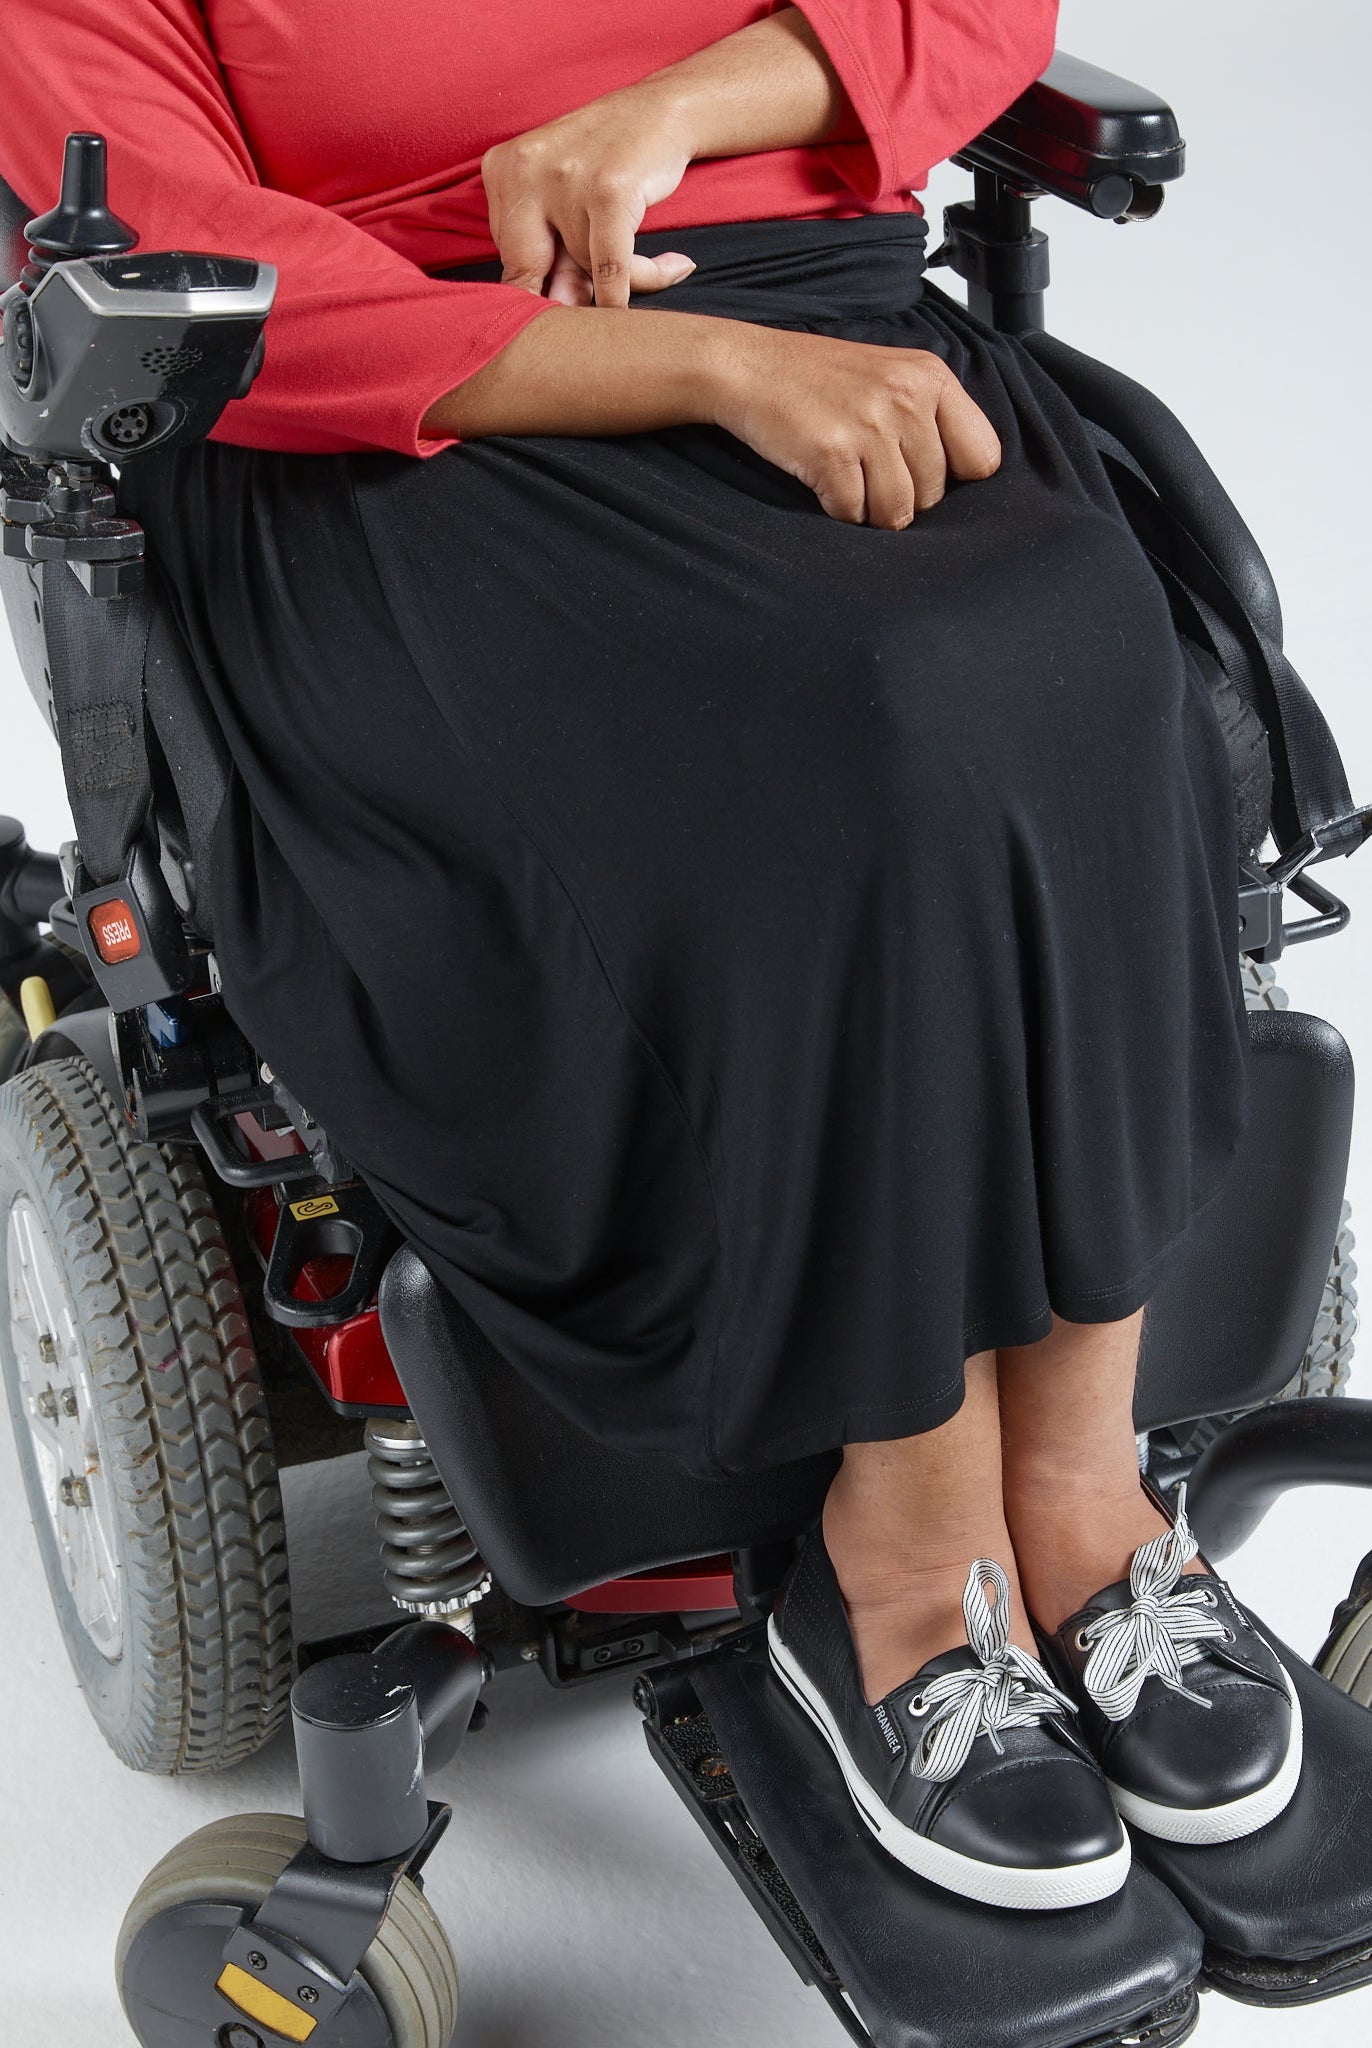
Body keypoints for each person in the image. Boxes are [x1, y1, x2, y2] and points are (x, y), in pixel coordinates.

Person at [0, 1, 1299, 1910]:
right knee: (846, 721)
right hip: (407, 420)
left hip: (831, 323)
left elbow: (968, 13)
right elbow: (185, 252)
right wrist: (698, 366)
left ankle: (1089, 1501)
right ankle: (903, 1553)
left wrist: (664, 114)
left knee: (1077, 652)